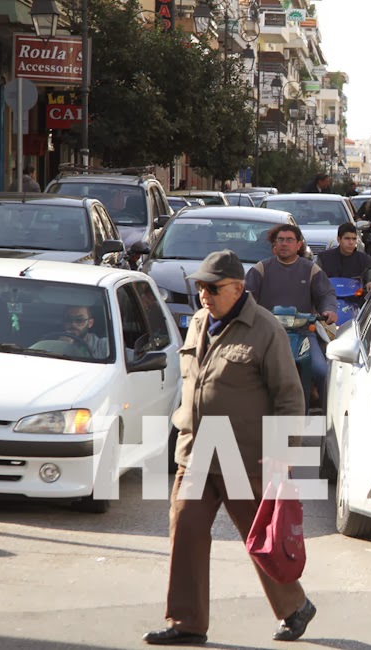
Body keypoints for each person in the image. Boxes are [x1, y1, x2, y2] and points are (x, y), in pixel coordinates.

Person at [143, 250, 316, 646]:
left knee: (261, 542)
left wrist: (284, 453)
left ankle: (295, 607)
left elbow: (290, 396)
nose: (205, 294)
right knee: (184, 532)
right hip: (196, 452)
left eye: (214, 288)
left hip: (244, 456)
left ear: (238, 288)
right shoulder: (199, 322)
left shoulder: (265, 329)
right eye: (201, 286)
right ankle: (186, 623)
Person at [245, 224, 337, 413]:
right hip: (266, 333)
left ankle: (326, 413)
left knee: (321, 370)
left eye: (289, 240)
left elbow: (326, 294)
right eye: (280, 240)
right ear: (274, 244)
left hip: (304, 333)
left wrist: (328, 310)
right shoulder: (261, 269)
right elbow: (247, 296)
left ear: (299, 245)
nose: (284, 244)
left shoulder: (311, 269)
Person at [316, 222, 371, 292]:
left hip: (356, 299)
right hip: (330, 298)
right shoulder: (324, 258)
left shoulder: (364, 259)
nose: (351, 242)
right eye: (347, 238)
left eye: (354, 239)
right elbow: (314, 277)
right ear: (339, 239)